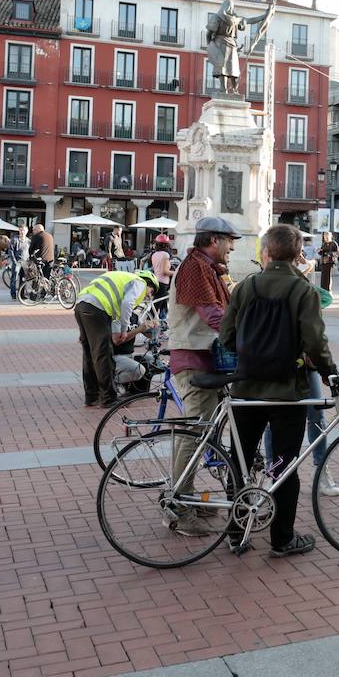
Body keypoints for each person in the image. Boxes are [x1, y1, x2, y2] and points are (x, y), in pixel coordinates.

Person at [218, 223, 339, 556]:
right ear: (298, 254)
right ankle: (282, 539)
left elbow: (226, 336)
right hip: (287, 391)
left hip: (245, 388)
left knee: (239, 461)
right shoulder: (303, 291)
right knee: (284, 465)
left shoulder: (245, 287)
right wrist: (329, 371)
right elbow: (315, 340)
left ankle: (234, 530)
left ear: (266, 252)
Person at [166, 217, 239, 535]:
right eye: (228, 241)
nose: (232, 247)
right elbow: (213, 316)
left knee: (198, 433)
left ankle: (187, 497)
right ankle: (178, 507)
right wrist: (246, 338)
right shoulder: (196, 268)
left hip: (204, 360)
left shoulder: (207, 268)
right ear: (214, 240)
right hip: (193, 360)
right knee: (193, 434)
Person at [74, 268, 158, 409]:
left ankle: (92, 396)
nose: (148, 296)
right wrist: (124, 330)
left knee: (89, 354)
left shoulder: (124, 279)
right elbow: (127, 303)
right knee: (103, 354)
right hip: (97, 307)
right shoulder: (139, 283)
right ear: (149, 285)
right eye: (151, 292)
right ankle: (108, 399)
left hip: (82, 305)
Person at [148, 235, 173, 321]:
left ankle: (162, 325)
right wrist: (176, 273)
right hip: (163, 283)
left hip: (156, 281)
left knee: (162, 304)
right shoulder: (165, 255)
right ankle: (148, 325)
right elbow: (165, 271)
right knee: (157, 306)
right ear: (166, 245)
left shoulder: (154, 254)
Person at [6, 225, 29, 297]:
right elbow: (11, 251)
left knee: (24, 279)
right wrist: (14, 261)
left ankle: (22, 294)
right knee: (14, 278)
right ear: (19, 231)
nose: (22, 232)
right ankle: (13, 294)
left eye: (24, 230)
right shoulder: (14, 239)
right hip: (17, 262)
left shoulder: (28, 241)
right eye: (21, 230)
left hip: (25, 262)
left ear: (27, 231)